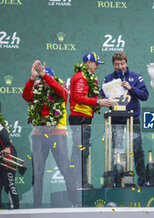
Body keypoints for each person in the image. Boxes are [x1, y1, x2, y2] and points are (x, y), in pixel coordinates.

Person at [22, 60, 77, 207]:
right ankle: (37, 206)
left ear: (51, 79)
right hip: (38, 136)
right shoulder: (37, 90)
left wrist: (44, 75)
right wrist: (33, 78)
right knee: (38, 173)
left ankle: (76, 203)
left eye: (46, 79)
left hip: (57, 135)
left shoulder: (60, 90)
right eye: (42, 80)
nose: (44, 83)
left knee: (65, 169)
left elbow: (63, 92)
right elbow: (25, 96)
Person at [100, 52, 149, 186]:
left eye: (122, 64)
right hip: (116, 120)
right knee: (117, 149)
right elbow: (101, 96)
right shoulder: (109, 79)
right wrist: (107, 101)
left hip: (133, 119)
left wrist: (130, 88)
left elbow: (145, 95)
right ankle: (116, 180)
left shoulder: (135, 77)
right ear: (113, 65)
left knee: (137, 149)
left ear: (126, 63)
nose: (120, 67)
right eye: (117, 64)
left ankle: (142, 181)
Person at [69, 52, 113, 189]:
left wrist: (99, 101)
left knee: (82, 150)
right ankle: (79, 183)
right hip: (79, 117)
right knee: (81, 151)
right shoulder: (81, 78)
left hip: (84, 116)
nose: (98, 67)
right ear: (88, 63)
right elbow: (78, 98)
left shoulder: (86, 77)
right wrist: (98, 101)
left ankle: (81, 182)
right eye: (96, 64)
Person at [0, 116, 19, 209]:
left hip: (7, 153)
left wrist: (7, 146)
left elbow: (3, 131)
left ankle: (15, 209)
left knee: (9, 182)